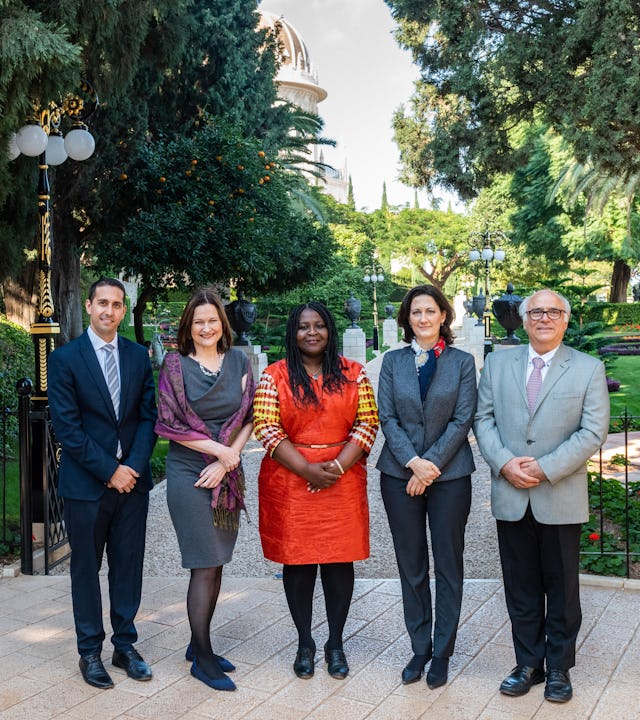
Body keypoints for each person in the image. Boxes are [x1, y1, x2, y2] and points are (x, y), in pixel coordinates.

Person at [474, 289, 610, 704]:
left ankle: (559, 669)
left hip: (559, 494)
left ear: (565, 320)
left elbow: (593, 432)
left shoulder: (587, 368)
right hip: (511, 492)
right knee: (520, 587)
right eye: (536, 311)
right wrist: (505, 464)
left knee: (563, 589)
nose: (544, 318)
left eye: (553, 311)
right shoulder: (497, 363)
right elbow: (484, 418)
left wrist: (545, 467)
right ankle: (528, 664)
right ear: (523, 318)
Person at [253, 301, 378, 680]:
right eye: (304, 327)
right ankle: (305, 642)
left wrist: (336, 467)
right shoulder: (274, 376)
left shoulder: (354, 373)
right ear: (293, 333)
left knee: (340, 562)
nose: (312, 333)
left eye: (319, 326)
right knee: (299, 563)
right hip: (291, 481)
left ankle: (335, 643)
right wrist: (308, 468)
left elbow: (368, 421)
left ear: (329, 330)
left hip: (343, 477)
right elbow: (266, 426)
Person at [48, 277, 157, 689]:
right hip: (87, 485)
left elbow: (149, 417)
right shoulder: (66, 359)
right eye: (102, 303)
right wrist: (109, 470)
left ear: (123, 310)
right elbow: (67, 428)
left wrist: (131, 466)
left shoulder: (135, 354)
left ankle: (125, 645)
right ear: (90, 306)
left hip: (133, 484)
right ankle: (89, 650)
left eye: (116, 305)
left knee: (128, 567)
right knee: (85, 569)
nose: (109, 311)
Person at [376, 284, 477, 690]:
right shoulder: (392, 362)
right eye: (415, 312)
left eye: (430, 311)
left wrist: (430, 465)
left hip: (450, 476)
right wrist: (413, 463)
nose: (422, 319)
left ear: (443, 316)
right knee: (412, 564)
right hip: (399, 474)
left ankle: (442, 651)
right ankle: (420, 646)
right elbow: (387, 417)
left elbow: (463, 417)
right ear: (407, 319)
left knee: (449, 564)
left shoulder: (462, 362)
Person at [155, 288, 255, 692]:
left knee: (217, 562)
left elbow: (250, 414)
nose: (206, 327)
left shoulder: (238, 360)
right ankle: (203, 655)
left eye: (212, 320)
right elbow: (168, 424)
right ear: (188, 327)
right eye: (199, 322)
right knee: (204, 561)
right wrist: (217, 453)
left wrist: (229, 457)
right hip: (190, 474)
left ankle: (198, 647)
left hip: (226, 473)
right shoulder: (175, 365)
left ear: (222, 324)